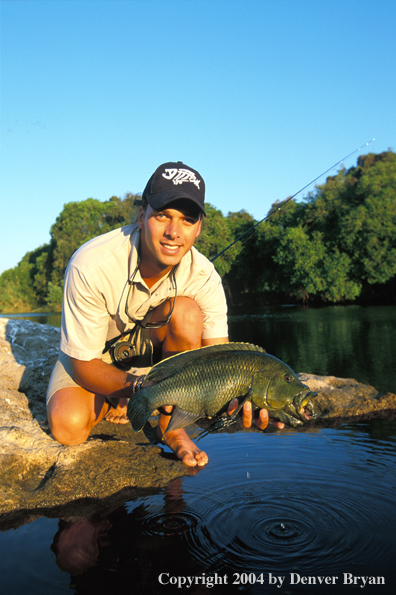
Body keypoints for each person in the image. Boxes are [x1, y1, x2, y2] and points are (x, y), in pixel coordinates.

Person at [46, 161, 283, 467]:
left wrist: (254, 402)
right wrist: (135, 389)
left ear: (198, 228)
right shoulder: (90, 263)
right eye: (163, 216)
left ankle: (172, 427)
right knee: (68, 427)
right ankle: (120, 397)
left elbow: (220, 361)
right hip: (94, 358)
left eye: (187, 220)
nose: (173, 232)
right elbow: (82, 363)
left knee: (185, 312)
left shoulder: (205, 277)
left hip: (159, 364)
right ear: (142, 216)